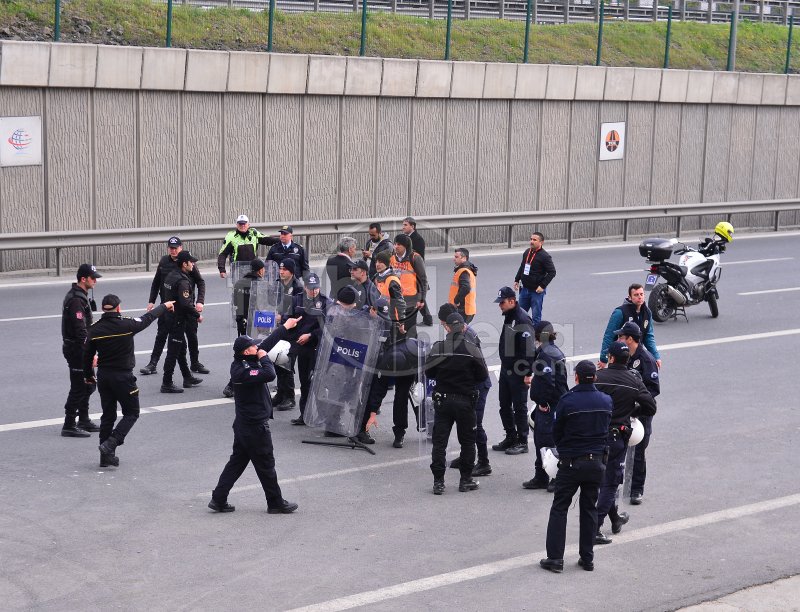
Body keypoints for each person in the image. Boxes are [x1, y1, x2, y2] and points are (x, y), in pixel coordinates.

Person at [208, 335, 298, 515]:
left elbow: (267, 342)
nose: (257, 348)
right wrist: (264, 357)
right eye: (254, 347)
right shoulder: (241, 371)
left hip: (245, 425)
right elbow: (270, 374)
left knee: (236, 463)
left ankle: (218, 498)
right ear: (246, 351)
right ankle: (275, 502)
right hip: (254, 427)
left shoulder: (247, 361)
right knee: (266, 464)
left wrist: (284, 329)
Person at [84, 294, 174, 467]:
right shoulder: (126, 324)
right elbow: (147, 318)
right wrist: (165, 305)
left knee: (108, 416)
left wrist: (89, 376)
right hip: (123, 377)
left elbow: (86, 356)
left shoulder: (94, 329)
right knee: (132, 413)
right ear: (118, 308)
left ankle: (105, 458)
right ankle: (111, 443)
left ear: (104, 309)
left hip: (103, 377)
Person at [539, 360, 612, 574]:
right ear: (595, 377)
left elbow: (557, 431)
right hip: (596, 462)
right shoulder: (606, 401)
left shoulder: (567, 401)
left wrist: (565, 449)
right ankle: (587, 558)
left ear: (576, 377)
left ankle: (555, 559)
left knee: (560, 508)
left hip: (571, 463)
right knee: (589, 509)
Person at [593, 341, 657, 545]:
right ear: (627, 359)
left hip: (595, 437)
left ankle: (615, 518)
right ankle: (594, 528)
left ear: (610, 358)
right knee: (610, 483)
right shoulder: (633, 380)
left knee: (604, 480)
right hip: (616, 437)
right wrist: (631, 412)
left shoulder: (598, 377)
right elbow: (650, 406)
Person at [425, 312, 489, 495]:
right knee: (468, 442)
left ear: (447, 327)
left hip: (443, 401)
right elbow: (482, 376)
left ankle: (438, 482)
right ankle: (465, 480)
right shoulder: (471, 348)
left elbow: (429, 373)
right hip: (465, 401)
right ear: (462, 327)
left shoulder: (439, 347)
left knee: (439, 443)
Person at [141, 236, 209, 376]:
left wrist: (200, 302)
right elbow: (156, 282)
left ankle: (195, 363)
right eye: (171, 248)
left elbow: (201, 283)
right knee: (162, 334)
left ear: (180, 248)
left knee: (191, 335)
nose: (173, 250)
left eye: (175, 248)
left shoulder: (188, 262)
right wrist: (151, 301)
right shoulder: (164, 262)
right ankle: (152, 363)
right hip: (167, 306)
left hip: (187, 307)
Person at [440, 303, 493, 477]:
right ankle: (466, 457)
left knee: (474, 425)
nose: (444, 328)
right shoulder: (463, 330)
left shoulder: (467, 335)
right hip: (471, 384)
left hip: (477, 384)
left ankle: (484, 462)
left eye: (444, 324)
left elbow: (473, 364)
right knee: (465, 423)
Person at [614, 321, 660, 506]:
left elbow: (654, 389)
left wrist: (636, 402)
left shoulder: (646, 359)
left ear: (630, 339)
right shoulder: (625, 356)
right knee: (619, 450)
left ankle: (636, 490)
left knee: (639, 452)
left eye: (621, 337)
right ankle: (616, 487)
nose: (618, 339)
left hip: (641, 414)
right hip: (625, 412)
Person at [524, 321, 569, 492]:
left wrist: (542, 403)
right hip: (558, 402)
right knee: (549, 440)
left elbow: (548, 382)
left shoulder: (545, 355)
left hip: (549, 405)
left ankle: (550, 477)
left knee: (545, 441)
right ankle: (544, 476)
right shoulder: (554, 351)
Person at [492, 286, 536, 456]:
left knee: (519, 407)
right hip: (506, 369)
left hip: (518, 371)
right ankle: (510, 436)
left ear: (512, 301)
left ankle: (522, 441)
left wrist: (527, 373)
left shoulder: (522, 319)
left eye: (502, 302)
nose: (500, 306)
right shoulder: (509, 316)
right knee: (504, 405)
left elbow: (529, 349)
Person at [284, 273, 332, 426]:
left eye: (316, 288)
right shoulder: (297, 300)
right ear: (305, 287)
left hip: (317, 347)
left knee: (317, 382)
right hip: (301, 348)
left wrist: (311, 335)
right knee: (304, 382)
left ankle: (322, 415)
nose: (314, 291)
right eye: (311, 288)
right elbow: (288, 320)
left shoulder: (325, 302)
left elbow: (327, 327)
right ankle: (304, 415)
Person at [61, 263, 102, 437]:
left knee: (89, 384)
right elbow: (80, 331)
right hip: (77, 349)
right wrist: (90, 353)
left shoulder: (81, 296)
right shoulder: (76, 300)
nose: (95, 281)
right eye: (93, 278)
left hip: (80, 348)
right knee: (79, 387)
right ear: (83, 279)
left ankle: (83, 419)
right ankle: (69, 424)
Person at [160, 251, 203, 393]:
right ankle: (167, 382)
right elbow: (185, 304)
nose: (193, 264)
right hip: (177, 320)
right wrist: (197, 315)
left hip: (169, 317)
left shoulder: (171, 275)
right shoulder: (183, 281)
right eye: (191, 262)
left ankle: (187, 377)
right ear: (184, 264)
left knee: (181, 350)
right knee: (173, 352)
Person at [598, 283, 661, 370]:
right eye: (636, 295)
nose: (639, 297)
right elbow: (609, 336)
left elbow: (648, 336)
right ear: (630, 297)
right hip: (620, 357)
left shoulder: (647, 312)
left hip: (637, 355)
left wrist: (656, 356)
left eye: (641, 294)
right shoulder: (620, 312)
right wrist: (604, 358)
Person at [272, 259, 304, 410]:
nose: (281, 271)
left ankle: (289, 397)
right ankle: (280, 393)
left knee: (286, 362)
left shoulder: (298, 287)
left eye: (285, 269)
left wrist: (283, 317)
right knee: (277, 360)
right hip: (280, 329)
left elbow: (298, 310)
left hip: (293, 331)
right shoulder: (279, 284)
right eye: (280, 269)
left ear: (291, 271)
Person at [513, 232, 556, 327]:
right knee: (519, 314)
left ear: (541, 242)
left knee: (536, 317)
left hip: (536, 292)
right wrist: (517, 279)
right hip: (524, 290)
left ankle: (534, 338)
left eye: (534, 240)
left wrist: (542, 286)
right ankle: (516, 335)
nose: (531, 241)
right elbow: (522, 267)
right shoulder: (527, 252)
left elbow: (552, 272)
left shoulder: (545, 256)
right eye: (531, 239)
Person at [390, 234, 427, 339]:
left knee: (410, 330)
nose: (396, 246)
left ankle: (414, 351)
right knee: (397, 330)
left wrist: (422, 299)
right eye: (395, 244)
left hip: (411, 302)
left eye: (399, 244)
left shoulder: (415, 258)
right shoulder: (392, 258)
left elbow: (423, 280)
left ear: (405, 246)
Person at [402, 216, 433, 326]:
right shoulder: (406, 238)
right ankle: (428, 318)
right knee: (418, 296)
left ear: (413, 226)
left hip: (415, 272)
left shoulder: (418, 239)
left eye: (405, 225)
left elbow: (419, 258)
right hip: (409, 272)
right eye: (403, 225)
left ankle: (426, 318)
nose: (403, 227)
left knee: (417, 295)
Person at [373, 251, 406, 337]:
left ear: (387, 264)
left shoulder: (391, 280)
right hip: (380, 316)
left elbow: (399, 302)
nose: (377, 264)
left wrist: (401, 322)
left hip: (391, 320)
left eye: (380, 262)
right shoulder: (377, 277)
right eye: (376, 262)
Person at [449, 247, 478, 323]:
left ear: (464, 258)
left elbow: (466, 287)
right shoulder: (466, 269)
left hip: (463, 310)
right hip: (466, 309)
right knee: (460, 332)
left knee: (458, 332)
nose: (454, 259)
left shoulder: (463, 271)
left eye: (456, 257)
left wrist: (456, 300)